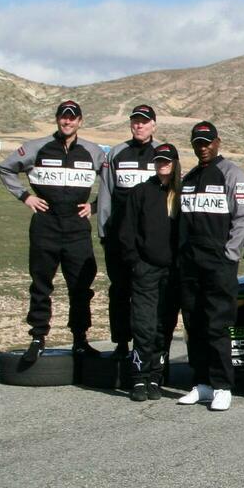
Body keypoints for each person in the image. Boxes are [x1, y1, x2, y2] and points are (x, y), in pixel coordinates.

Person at [0, 100, 107, 362]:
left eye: (73, 118)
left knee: (81, 286)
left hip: (77, 228)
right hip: (45, 226)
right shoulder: (37, 147)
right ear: (57, 119)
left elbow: (112, 180)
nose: (67, 122)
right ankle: (37, 338)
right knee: (40, 285)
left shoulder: (92, 151)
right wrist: (25, 197)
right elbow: (5, 168)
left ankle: (80, 340)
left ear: (80, 121)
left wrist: (95, 206)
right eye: (63, 117)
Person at [175, 121, 244, 413]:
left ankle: (223, 386)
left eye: (207, 142)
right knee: (193, 324)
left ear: (218, 142)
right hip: (190, 263)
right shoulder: (190, 177)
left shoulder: (232, 174)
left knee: (218, 325)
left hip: (219, 262)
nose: (203, 147)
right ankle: (202, 384)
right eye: (198, 143)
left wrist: (230, 254)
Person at [116, 142, 180, 402]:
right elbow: (126, 232)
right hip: (146, 270)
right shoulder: (141, 192)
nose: (162, 165)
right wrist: (136, 263)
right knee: (143, 324)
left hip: (174, 273)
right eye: (158, 161)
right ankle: (139, 378)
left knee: (164, 325)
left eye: (167, 160)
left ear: (175, 163)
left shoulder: (183, 194)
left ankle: (156, 375)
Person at [96, 104, 159, 363]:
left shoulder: (162, 153)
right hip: (119, 238)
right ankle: (122, 344)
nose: (139, 125)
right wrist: (103, 230)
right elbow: (105, 194)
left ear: (153, 124)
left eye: (144, 121)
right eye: (135, 121)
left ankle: (150, 347)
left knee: (149, 293)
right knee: (120, 290)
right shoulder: (117, 154)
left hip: (152, 239)